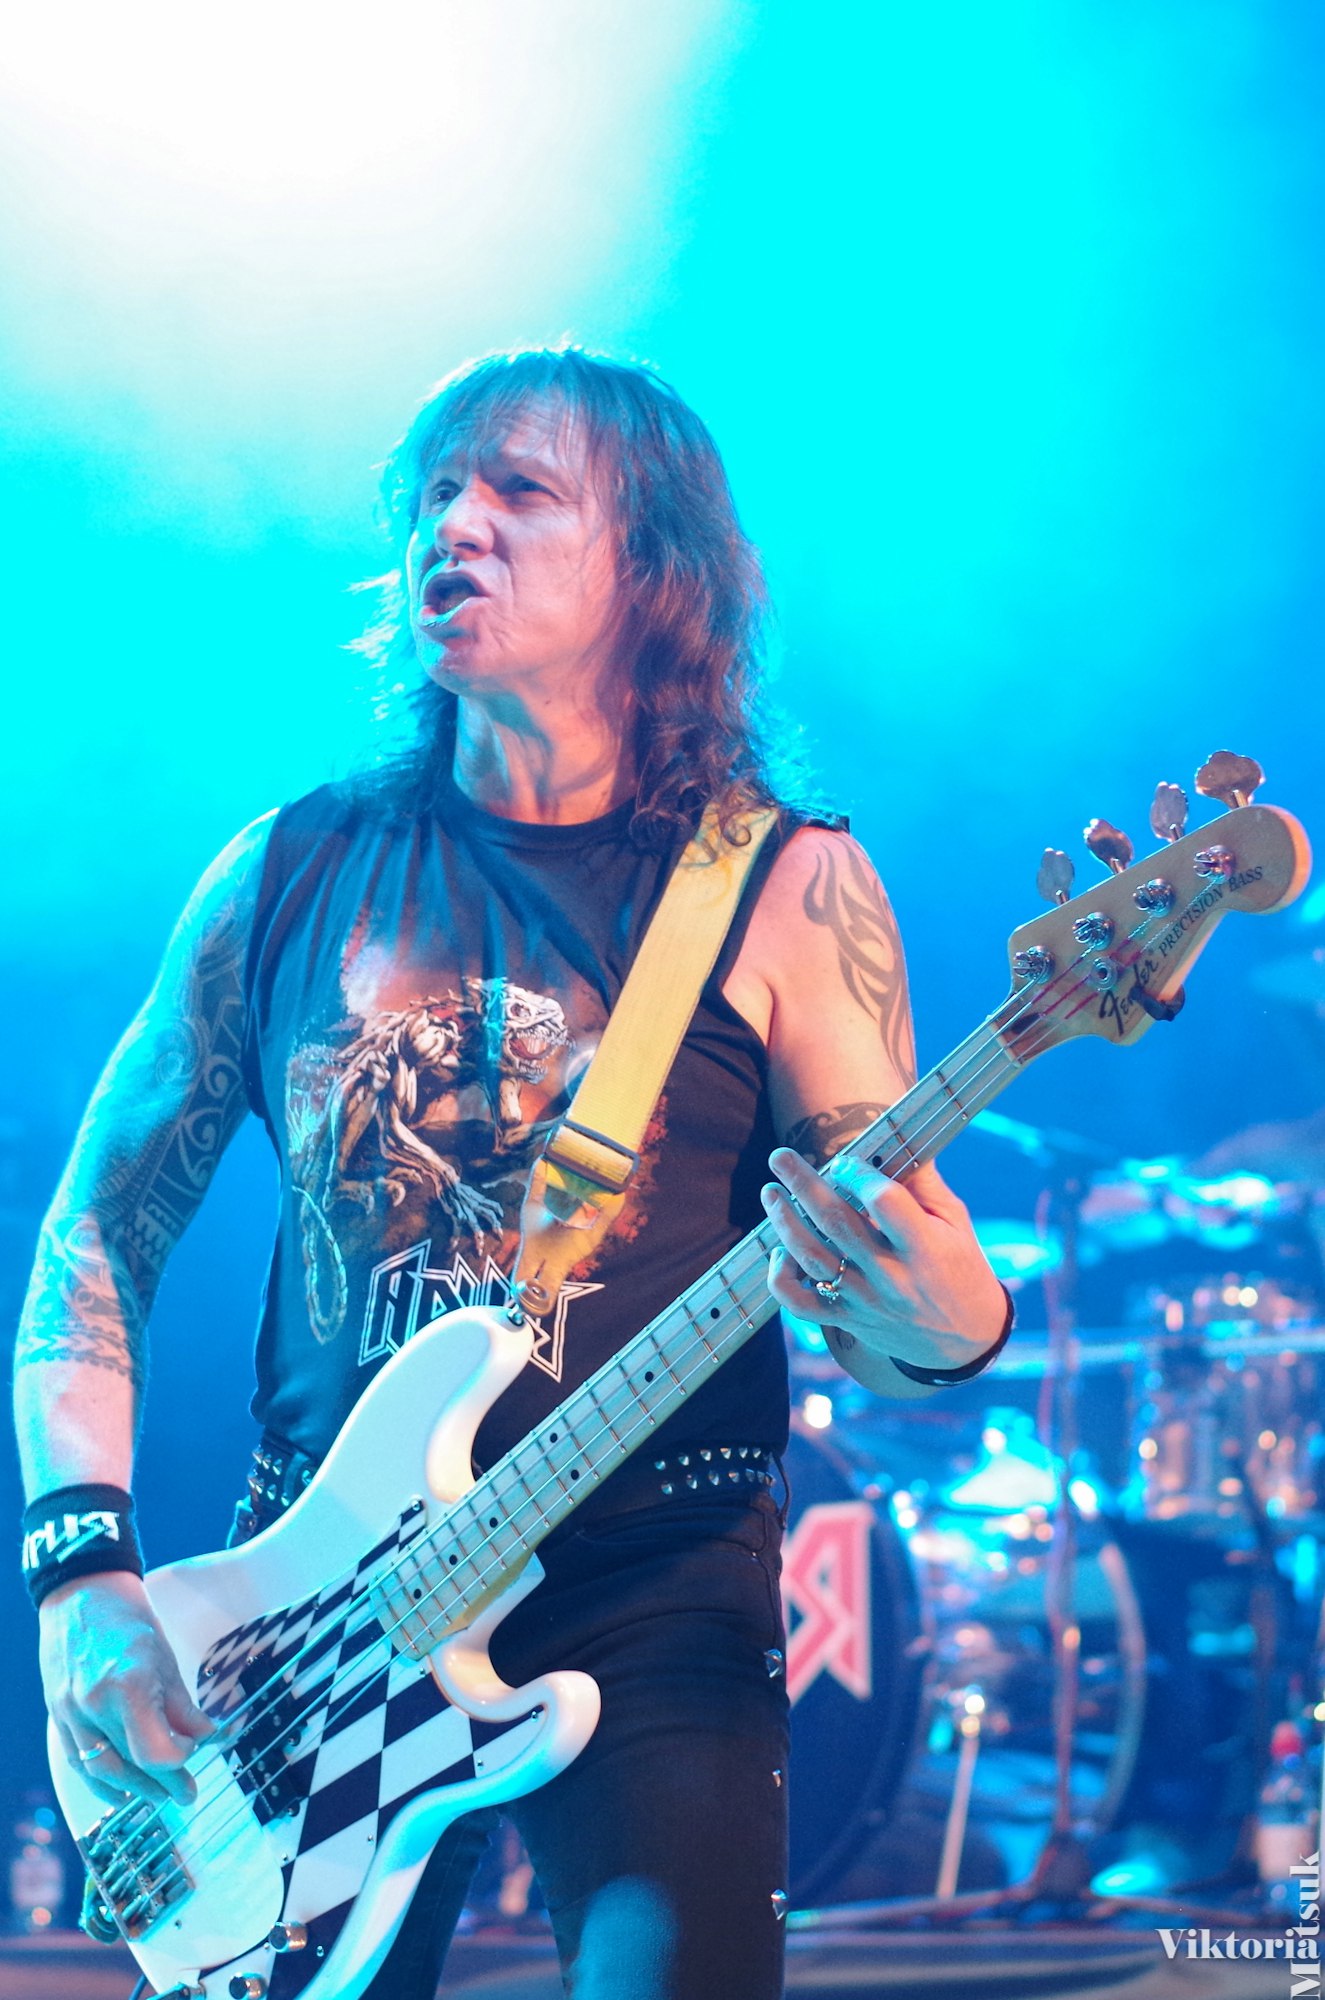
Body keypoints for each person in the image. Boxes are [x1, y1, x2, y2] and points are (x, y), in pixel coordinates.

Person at [15, 348, 1008, 1999]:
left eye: (520, 490)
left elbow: (890, 1315)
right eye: (434, 493)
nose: (452, 525)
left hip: (652, 1580)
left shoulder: (785, 885)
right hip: (311, 1612)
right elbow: (101, 1230)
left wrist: (949, 1316)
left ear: (653, 566)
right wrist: (81, 1572)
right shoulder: (288, 870)